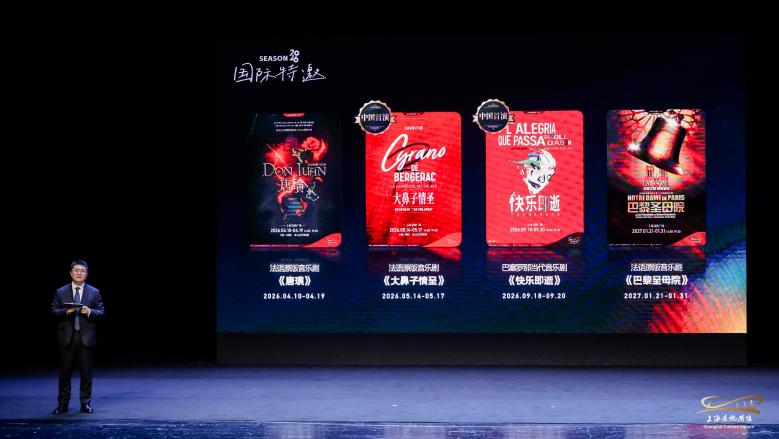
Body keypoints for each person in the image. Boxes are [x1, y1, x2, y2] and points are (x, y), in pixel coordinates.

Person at [51, 260, 105, 414]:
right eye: (76, 270)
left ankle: (85, 403)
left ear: (86, 274)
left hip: (86, 338)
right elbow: (53, 311)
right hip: (67, 337)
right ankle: (62, 405)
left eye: (82, 271)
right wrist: (66, 311)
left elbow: (101, 312)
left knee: (86, 373)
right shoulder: (61, 291)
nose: (79, 273)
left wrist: (89, 312)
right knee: (64, 373)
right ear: (71, 273)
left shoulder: (94, 292)